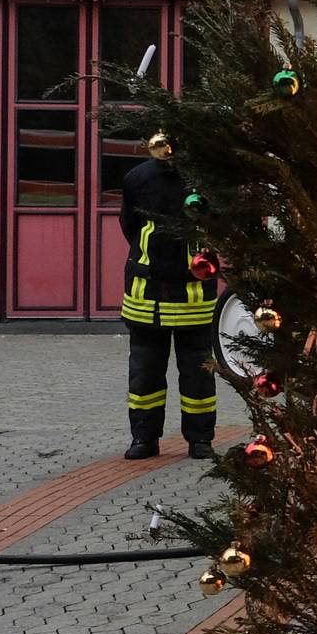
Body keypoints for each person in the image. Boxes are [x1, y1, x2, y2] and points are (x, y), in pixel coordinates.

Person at [118, 150, 220, 460]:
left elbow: (129, 227)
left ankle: (171, 439)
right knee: (154, 374)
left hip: (182, 296)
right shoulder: (139, 178)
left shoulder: (199, 177)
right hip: (153, 297)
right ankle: (158, 438)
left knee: (188, 374)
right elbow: (131, 225)